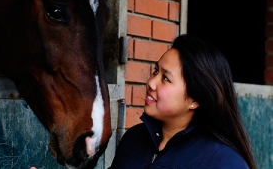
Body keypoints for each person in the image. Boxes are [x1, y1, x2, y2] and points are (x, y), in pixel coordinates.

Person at [109, 34, 255, 168]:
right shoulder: (133, 139)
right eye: (155, 71)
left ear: (195, 99)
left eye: (165, 78)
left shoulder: (222, 161)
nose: (151, 83)